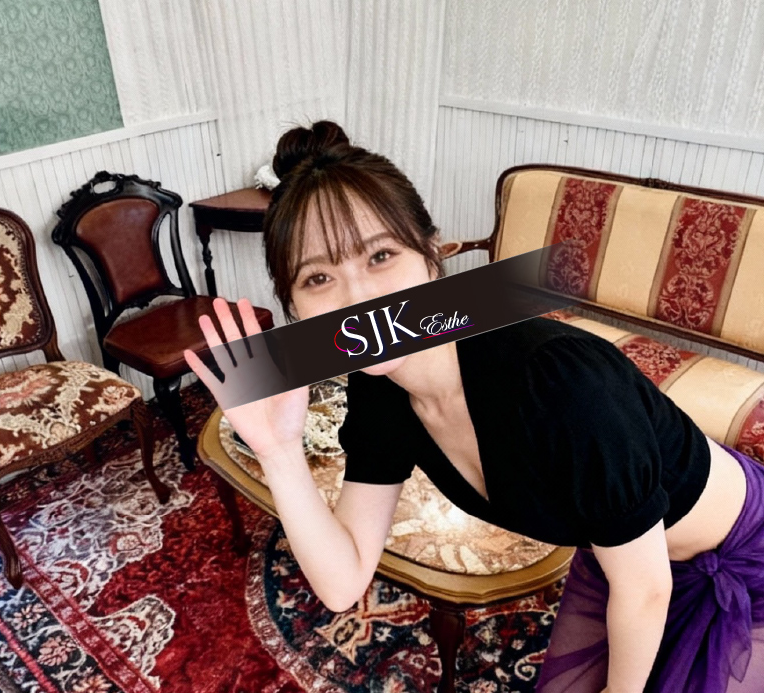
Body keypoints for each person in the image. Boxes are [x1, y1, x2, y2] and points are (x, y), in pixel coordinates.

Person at [183, 120, 764, 693]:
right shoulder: (381, 391)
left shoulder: (560, 381)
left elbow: (646, 591)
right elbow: (342, 583)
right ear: (294, 308)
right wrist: (279, 450)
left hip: (739, 557)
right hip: (629, 559)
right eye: (317, 278)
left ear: (432, 255)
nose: (356, 300)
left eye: (380, 256)